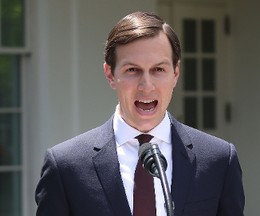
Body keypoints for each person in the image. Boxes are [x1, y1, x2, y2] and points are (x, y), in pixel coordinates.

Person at [35, 11, 245, 216]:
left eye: (158, 70)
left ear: (176, 73)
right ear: (110, 74)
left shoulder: (219, 160)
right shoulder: (65, 166)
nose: (146, 86)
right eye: (132, 70)